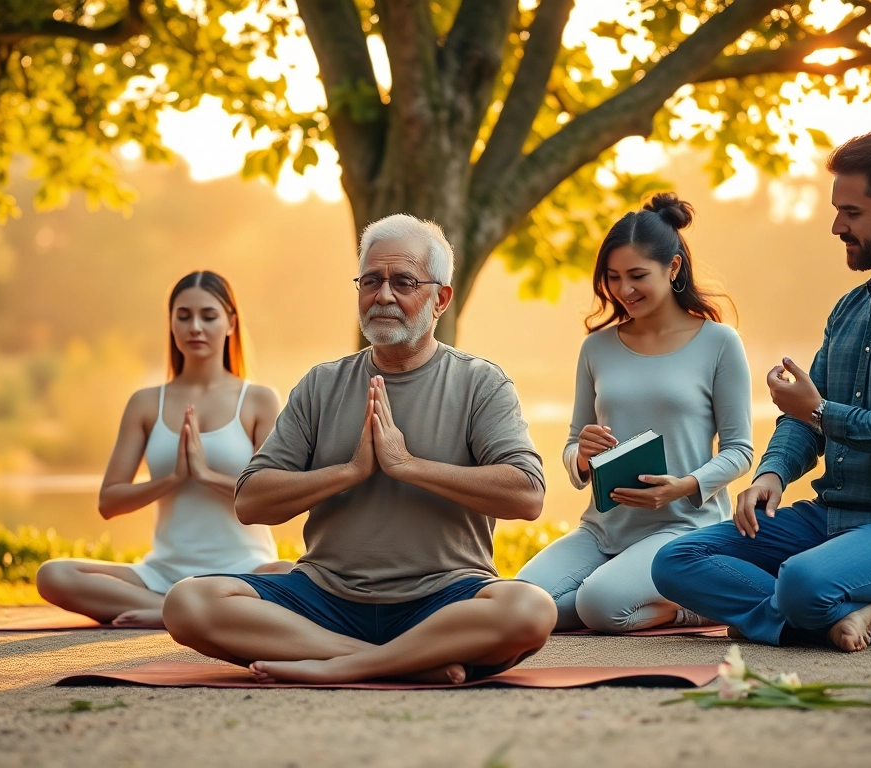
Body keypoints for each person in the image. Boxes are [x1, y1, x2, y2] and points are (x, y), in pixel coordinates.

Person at [161, 214, 556, 685]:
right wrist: (349, 471)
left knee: (530, 609)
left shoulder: (480, 383)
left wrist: (408, 466)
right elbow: (250, 502)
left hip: (444, 598)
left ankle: (349, 666)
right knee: (187, 602)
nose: (383, 295)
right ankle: (406, 662)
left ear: (440, 299)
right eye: (371, 281)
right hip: (325, 597)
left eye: (403, 282)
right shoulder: (322, 384)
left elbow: (528, 495)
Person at [652, 129, 871, 652]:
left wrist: (819, 410)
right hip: (830, 519)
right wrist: (773, 472)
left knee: (802, 582)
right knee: (677, 562)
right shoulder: (850, 309)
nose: (836, 226)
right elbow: (802, 418)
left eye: (852, 212)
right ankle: (826, 616)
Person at [515, 193, 752, 633]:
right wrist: (581, 457)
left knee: (599, 607)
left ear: (674, 268)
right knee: (523, 603)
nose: (624, 290)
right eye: (613, 277)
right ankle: (620, 589)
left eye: (638, 275)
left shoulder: (719, 343)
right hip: (603, 529)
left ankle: (694, 604)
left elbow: (740, 451)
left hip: (682, 528)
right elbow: (572, 444)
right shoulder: (597, 348)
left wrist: (683, 486)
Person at [36, 271, 290, 628]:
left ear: (231, 322)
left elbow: (271, 499)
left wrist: (207, 476)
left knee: (295, 574)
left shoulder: (259, 400)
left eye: (208, 316)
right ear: (171, 323)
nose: (195, 327)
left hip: (244, 569)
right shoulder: (145, 403)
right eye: (183, 316)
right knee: (54, 574)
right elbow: (109, 501)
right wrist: (173, 479)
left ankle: (170, 610)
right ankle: (175, 608)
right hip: (161, 574)